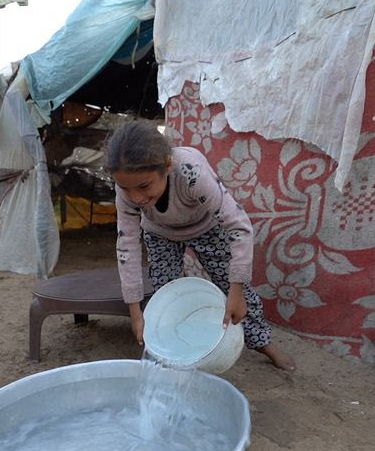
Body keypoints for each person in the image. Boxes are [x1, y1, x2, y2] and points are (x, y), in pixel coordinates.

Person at [106, 120, 296, 371]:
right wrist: (135, 312)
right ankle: (175, 351)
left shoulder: (191, 174)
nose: (137, 198)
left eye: (144, 186)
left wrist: (235, 293)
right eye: (126, 189)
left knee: (237, 291)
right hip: (160, 233)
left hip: (205, 227)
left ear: (167, 165)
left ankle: (262, 341)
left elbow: (240, 228)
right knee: (167, 293)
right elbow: (127, 246)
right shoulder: (127, 190)